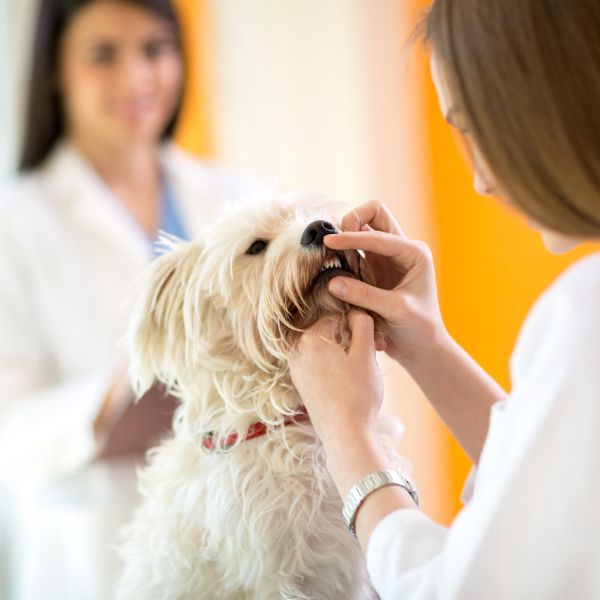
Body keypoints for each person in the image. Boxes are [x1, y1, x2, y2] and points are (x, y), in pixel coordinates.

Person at [288, 1, 600, 598]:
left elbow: (466, 591)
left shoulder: (587, 311)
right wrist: (428, 347)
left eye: (477, 128)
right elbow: (560, 480)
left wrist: (348, 437)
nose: (481, 178)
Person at [0, 1, 257, 598]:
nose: (137, 78)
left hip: (238, 531)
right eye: (103, 55)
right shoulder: (15, 221)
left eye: (155, 49)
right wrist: (109, 403)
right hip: (93, 549)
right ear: (56, 72)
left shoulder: (237, 197)